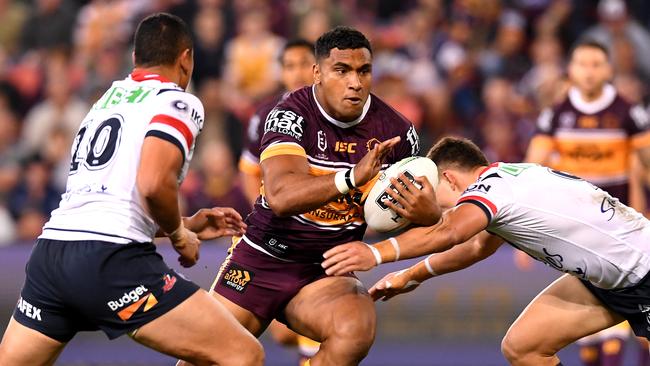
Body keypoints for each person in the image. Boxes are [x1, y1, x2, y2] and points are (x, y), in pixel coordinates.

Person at [0, 13, 263, 366]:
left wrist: (185, 224)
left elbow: (109, 205)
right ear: (185, 58)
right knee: (242, 354)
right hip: (111, 263)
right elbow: (154, 183)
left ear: (137, 58)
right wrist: (178, 235)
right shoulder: (177, 101)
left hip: (51, 256)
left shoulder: (106, 99)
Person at [198, 26, 435, 366]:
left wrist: (426, 214)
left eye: (363, 71)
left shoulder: (398, 133)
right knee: (209, 357)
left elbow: (431, 219)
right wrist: (353, 177)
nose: (355, 82)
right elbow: (280, 196)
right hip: (263, 257)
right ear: (318, 73)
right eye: (342, 70)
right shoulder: (288, 114)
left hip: (326, 270)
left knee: (356, 327)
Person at [322, 136, 650, 366]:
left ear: (449, 179)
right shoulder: (509, 179)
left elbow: (450, 232)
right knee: (524, 348)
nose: (440, 208)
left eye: (437, 197)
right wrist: (411, 275)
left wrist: (376, 253)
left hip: (643, 269)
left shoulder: (491, 188)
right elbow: (478, 246)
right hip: (605, 277)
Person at [524, 40, 650, 366]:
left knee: (613, 308)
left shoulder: (628, 113)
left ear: (609, 70)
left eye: (596, 64)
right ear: (571, 70)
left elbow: (646, 165)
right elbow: (533, 169)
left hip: (618, 230)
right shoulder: (556, 115)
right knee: (589, 325)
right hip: (573, 229)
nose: (590, 72)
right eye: (583, 64)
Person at [238, 38, 321, 366]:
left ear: (317, 69)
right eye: (289, 65)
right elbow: (247, 170)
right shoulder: (265, 115)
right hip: (272, 230)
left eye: (304, 63)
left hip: (316, 233)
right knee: (284, 331)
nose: (297, 72)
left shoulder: (335, 112)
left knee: (314, 323)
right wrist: (263, 207)